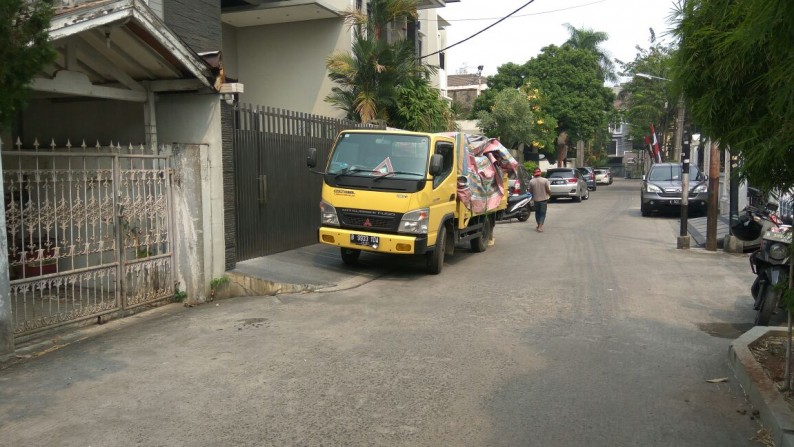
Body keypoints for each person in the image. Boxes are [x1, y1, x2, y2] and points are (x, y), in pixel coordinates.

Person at [527, 167, 551, 232]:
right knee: (542, 214)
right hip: (543, 200)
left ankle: (538, 225)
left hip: (535, 200)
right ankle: (540, 227)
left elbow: (529, 191)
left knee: (537, 213)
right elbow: (548, 189)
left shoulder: (531, 181)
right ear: (540, 173)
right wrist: (550, 194)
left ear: (534, 173)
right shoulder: (545, 180)